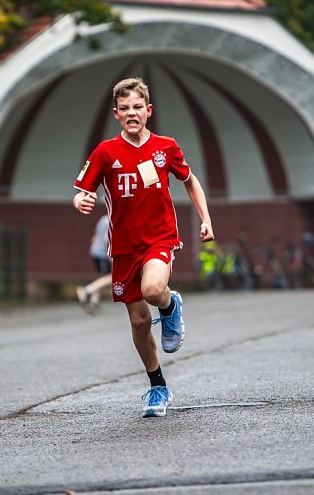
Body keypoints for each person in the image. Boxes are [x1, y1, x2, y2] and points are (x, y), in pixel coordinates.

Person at [72, 77, 214, 418]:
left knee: (153, 290)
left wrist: (205, 218)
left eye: (138, 107)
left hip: (160, 237)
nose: (132, 113)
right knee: (137, 322)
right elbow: (82, 190)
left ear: (148, 111)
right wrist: (80, 199)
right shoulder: (105, 152)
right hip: (124, 248)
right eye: (125, 109)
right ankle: (157, 386)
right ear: (116, 114)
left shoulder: (166, 147)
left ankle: (168, 305)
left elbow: (190, 181)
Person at [76, 213, 113, 314]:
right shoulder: (111, 220)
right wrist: (111, 258)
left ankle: (94, 302)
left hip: (95, 250)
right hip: (103, 253)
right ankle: (87, 290)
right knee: (112, 277)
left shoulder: (103, 218)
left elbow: (95, 236)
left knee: (103, 276)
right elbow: (107, 239)